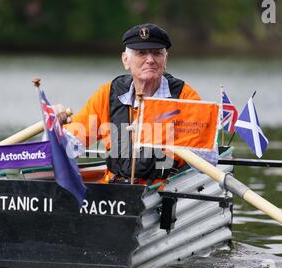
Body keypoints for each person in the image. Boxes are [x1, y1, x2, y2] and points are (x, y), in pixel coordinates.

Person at [62, 23, 204, 184]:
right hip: (114, 191)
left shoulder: (186, 97)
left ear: (165, 60)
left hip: (164, 190)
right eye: (141, 53)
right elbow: (66, 146)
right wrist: (53, 125)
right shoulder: (107, 94)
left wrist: (151, 134)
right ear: (126, 60)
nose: (150, 60)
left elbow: (205, 159)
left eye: (157, 53)